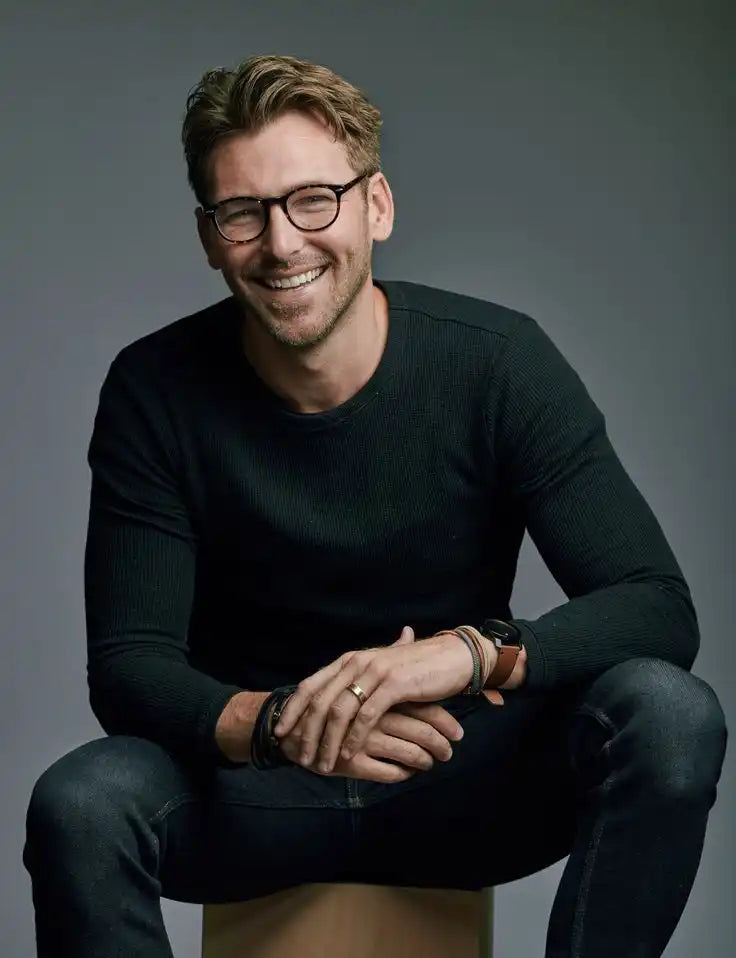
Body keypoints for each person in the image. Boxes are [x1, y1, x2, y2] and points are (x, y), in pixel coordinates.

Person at [23, 53, 727, 958]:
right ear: (209, 236)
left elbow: (658, 607)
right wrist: (276, 725)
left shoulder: (497, 363)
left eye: (314, 199)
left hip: (461, 775)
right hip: (253, 792)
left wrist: (467, 655)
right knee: (79, 804)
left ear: (377, 206)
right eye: (244, 212)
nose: (282, 244)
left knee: (670, 712)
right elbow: (128, 666)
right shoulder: (153, 389)